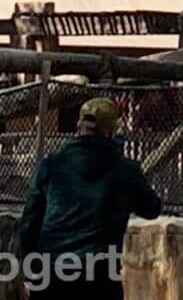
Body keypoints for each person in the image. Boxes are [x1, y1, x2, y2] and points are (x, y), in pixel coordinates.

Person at [18, 97, 162, 299]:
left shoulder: (51, 166)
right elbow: (152, 208)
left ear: (78, 127)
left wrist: (30, 270)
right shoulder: (125, 170)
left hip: (51, 274)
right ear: (111, 131)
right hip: (101, 277)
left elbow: (29, 223)